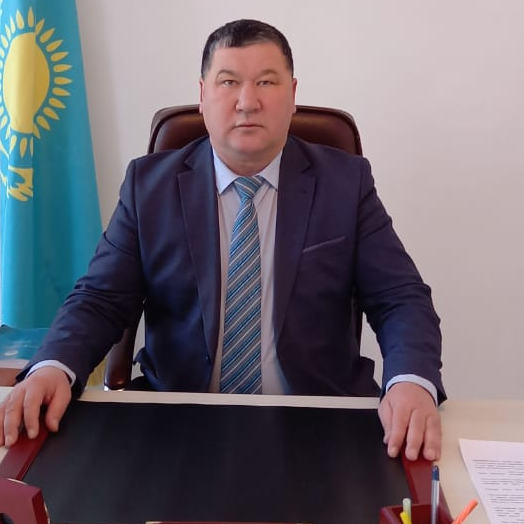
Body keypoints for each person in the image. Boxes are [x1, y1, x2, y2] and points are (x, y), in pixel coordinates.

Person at [0, 19, 445, 461]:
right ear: (203, 95)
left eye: (266, 82)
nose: (247, 102)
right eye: (228, 81)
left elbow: (400, 297)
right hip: (178, 423)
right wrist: (53, 366)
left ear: (292, 94)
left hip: (318, 426)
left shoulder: (345, 184)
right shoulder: (148, 186)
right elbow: (100, 299)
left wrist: (409, 380)